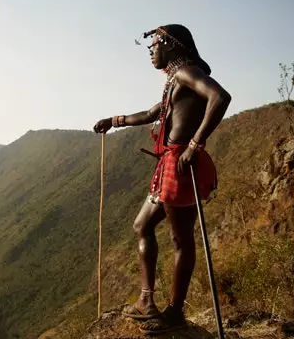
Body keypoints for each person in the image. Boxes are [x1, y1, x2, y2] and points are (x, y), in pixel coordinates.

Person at [93, 24, 231, 334]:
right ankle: (147, 301)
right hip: (173, 164)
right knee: (143, 226)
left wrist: (195, 145)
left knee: (181, 239)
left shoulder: (186, 72)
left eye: (155, 44)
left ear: (171, 45)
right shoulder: (175, 80)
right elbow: (153, 113)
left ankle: (173, 312)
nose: (152, 50)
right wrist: (113, 121)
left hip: (181, 164)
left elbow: (220, 97)